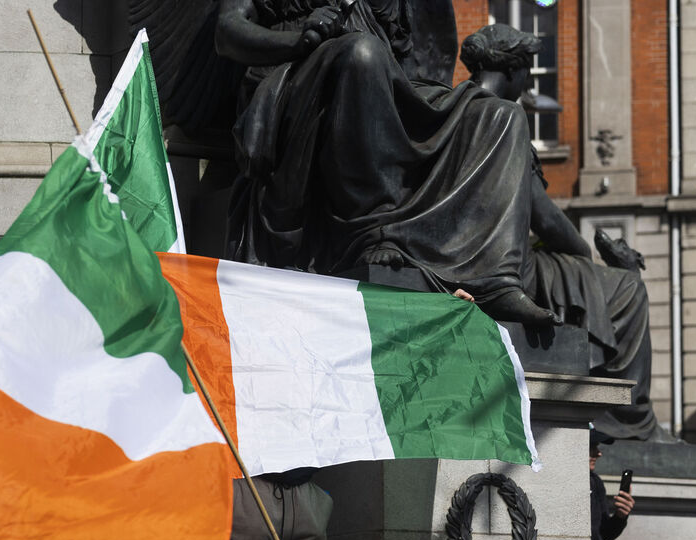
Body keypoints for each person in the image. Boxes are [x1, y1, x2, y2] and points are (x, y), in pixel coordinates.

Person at [215, 0, 559, 326]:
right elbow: (227, 33)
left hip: (388, 82)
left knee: (501, 114)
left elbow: (427, 56)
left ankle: (496, 276)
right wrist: (297, 40)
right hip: (302, 79)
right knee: (361, 52)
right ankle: (373, 234)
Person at [461, 24, 665, 441]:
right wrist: (584, 254)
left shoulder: (448, 110)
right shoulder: (504, 118)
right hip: (505, 265)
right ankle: (630, 424)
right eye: (527, 73)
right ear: (515, 70)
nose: (526, 86)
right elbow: (547, 220)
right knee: (626, 288)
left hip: (455, 256)